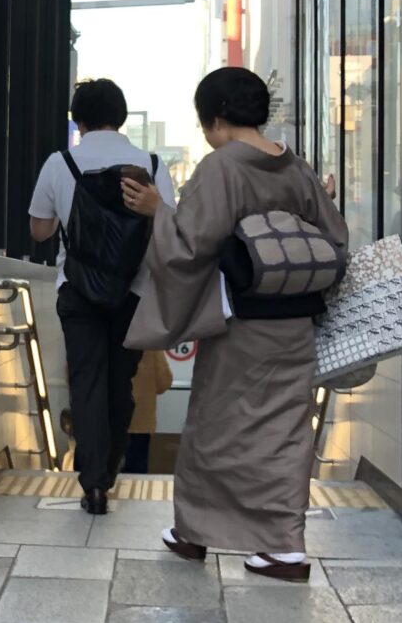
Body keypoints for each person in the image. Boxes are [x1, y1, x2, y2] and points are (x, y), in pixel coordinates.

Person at [122, 67, 348, 582]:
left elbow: (190, 246)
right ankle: (285, 546)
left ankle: (194, 532)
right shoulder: (297, 168)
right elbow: (335, 238)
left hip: (241, 324)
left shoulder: (221, 167)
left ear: (217, 118)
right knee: (288, 430)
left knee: (216, 425)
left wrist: (160, 210)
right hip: (296, 325)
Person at [29, 78, 176, 514]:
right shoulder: (150, 163)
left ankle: (93, 482)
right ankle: (111, 467)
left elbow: (39, 229)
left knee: (86, 381)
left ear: (78, 119)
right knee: (120, 382)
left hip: (78, 291)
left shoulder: (61, 162)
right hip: (133, 290)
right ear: (122, 116)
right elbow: (168, 224)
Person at [123, 351, 173, 475]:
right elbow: (164, 381)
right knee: (135, 477)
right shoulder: (149, 343)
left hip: (101, 422)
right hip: (140, 422)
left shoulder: (97, 336)